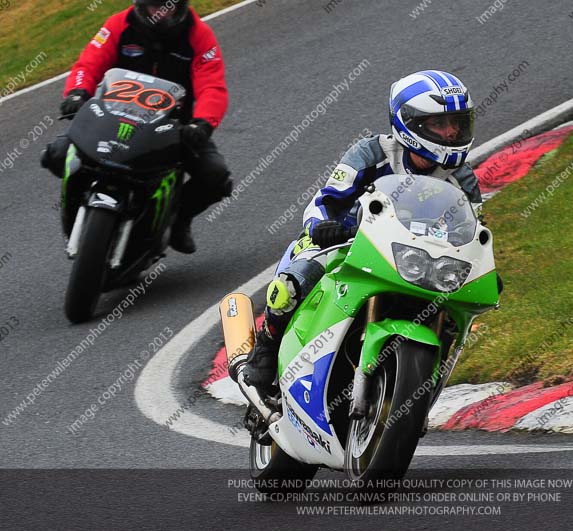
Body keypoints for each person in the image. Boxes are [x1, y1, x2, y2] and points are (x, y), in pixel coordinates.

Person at [239, 69, 483, 401]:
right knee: (296, 280)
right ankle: (266, 348)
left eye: (457, 123)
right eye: (440, 124)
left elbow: (473, 230)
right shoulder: (371, 154)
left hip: (417, 261)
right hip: (350, 242)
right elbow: (325, 201)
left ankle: (423, 389)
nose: (452, 132)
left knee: (453, 315)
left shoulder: (463, 178)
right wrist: (321, 226)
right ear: (409, 123)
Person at [42, 0, 231, 254]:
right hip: (110, 118)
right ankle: (78, 210)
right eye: (154, 6)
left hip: (173, 127)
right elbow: (87, 64)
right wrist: (77, 93)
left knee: (215, 175)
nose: (161, 12)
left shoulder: (199, 35)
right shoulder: (117, 25)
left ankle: (177, 221)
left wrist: (202, 124)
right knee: (56, 154)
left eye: (167, 6)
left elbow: (212, 86)